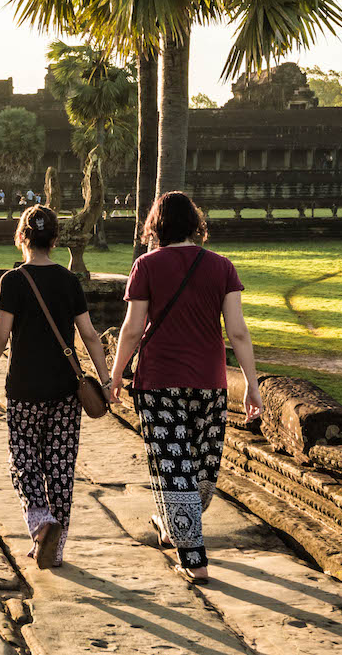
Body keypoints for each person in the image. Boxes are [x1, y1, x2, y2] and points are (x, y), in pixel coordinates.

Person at [109, 191, 261, 584]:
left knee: (191, 473)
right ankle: (194, 557)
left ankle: (170, 521)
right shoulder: (221, 267)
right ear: (196, 224)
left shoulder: (147, 265)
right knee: (192, 471)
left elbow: (131, 329)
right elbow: (239, 333)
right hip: (207, 385)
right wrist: (251, 384)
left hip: (161, 385)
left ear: (157, 226)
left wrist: (115, 373)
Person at [0, 205, 112, 570]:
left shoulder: (12, 282)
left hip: (25, 389)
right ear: (55, 240)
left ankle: (41, 522)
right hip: (65, 392)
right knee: (60, 466)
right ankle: (55, 549)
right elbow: (90, 335)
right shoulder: (68, 280)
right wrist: (106, 381)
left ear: (21, 238)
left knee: (23, 461)